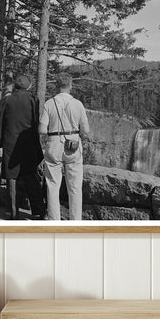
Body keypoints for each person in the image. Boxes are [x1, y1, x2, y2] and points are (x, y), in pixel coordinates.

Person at [39, 72, 90, 220]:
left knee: (53, 185)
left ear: (56, 85)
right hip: (73, 145)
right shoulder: (78, 104)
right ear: (71, 85)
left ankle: (55, 220)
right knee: (74, 187)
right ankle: (75, 221)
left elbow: (42, 130)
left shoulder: (49, 103)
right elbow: (85, 131)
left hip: (54, 145)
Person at [0, 74, 46, 220]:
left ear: (16, 86)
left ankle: (12, 212)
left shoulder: (7, 100)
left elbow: (1, 123)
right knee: (31, 176)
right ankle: (39, 210)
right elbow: (35, 123)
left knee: (12, 178)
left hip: (11, 143)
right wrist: (38, 146)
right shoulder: (33, 100)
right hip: (29, 142)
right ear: (29, 86)